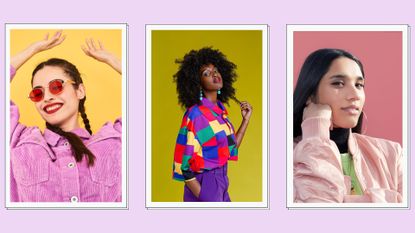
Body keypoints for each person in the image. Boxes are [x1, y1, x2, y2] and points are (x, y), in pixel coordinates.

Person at [10, 30, 122, 202]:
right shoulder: (17, 142)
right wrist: (32, 50)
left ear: (80, 91)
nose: (47, 97)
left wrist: (113, 61)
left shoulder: (116, 141)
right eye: (38, 93)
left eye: (56, 86)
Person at [293, 48, 403, 203]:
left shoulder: (392, 154)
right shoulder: (286, 159)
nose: (355, 95)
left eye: (359, 85)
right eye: (338, 83)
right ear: (310, 94)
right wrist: (316, 131)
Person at [172, 47, 253, 202]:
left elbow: (231, 147)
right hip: (205, 182)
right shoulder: (195, 115)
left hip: (222, 181)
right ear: (198, 83)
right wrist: (204, 195)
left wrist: (245, 120)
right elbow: (185, 165)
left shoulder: (220, 113)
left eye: (215, 70)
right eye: (206, 73)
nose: (214, 75)